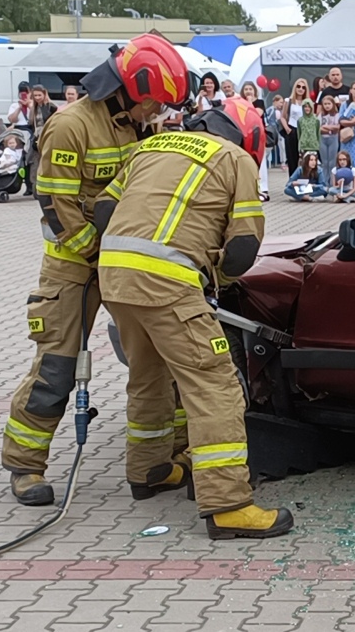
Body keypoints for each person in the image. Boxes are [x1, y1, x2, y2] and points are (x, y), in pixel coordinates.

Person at [1, 34, 191, 507]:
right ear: (128, 87)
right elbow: (56, 203)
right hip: (75, 268)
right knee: (57, 367)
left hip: (129, 265)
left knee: (161, 360)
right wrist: (97, 254)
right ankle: (25, 464)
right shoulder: (71, 126)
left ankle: (174, 455)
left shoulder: (140, 127)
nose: (158, 112)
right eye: (155, 102)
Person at [92, 97, 292, 540]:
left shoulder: (152, 147)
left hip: (114, 276)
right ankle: (228, 505)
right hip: (167, 283)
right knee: (214, 385)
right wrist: (211, 268)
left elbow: (104, 210)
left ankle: (150, 471)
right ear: (249, 138)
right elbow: (242, 251)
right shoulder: (234, 159)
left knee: (148, 375)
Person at [26, 84, 59, 196]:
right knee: (34, 161)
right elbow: (31, 123)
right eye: (35, 95)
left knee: (47, 161)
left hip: (48, 136)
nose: (37, 97)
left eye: (39, 95)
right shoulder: (34, 108)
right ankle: (35, 186)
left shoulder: (51, 106)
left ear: (44, 94)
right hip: (37, 137)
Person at [318, 95, 341, 178]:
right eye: (325, 104)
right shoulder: (321, 115)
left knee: (332, 161)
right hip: (323, 139)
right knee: (325, 162)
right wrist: (330, 129)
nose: (327, 105)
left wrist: (326, 127)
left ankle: (332, 180)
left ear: (333, 104)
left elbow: (337, 127)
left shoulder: (336, 115)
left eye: (329, 103)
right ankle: (325, 180)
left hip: (333, 139)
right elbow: (318, 128)